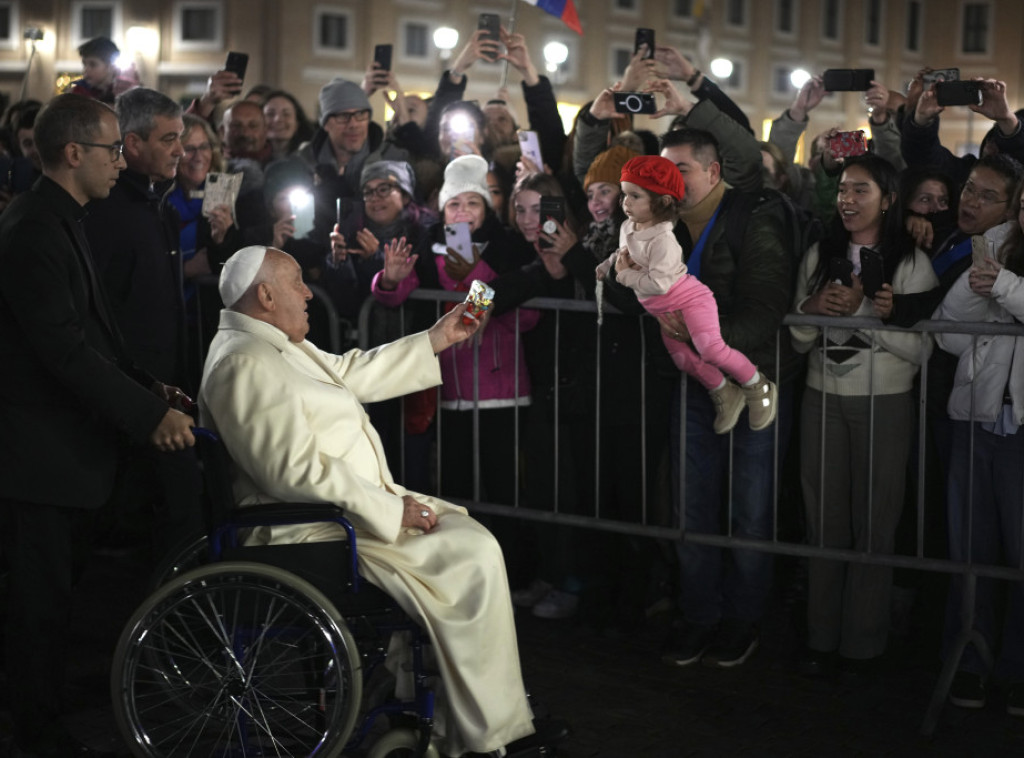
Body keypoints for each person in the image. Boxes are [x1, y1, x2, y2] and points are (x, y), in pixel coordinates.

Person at [198, 245, 537, 757]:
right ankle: (484, 730)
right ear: (265, 295)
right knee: (471, 555)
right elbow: (290, 471)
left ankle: (471, 714)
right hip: (305, 530)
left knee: (471, 545)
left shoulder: (272, 345)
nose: (308, 292)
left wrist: (438, 337)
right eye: (296, 282)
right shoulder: (242, 362)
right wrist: (387, 510)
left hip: (337, 514)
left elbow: (351, 372)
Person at [0, 93, 194, 758]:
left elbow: (93, 332)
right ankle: (33, 728)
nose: (121, 160)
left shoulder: (66, 217)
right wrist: (149, 417)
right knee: (36, 603)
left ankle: (45, 702)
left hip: (62, 454)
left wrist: (149, 387)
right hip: (35, 458)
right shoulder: (33, 228)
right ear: (74, 153)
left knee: (56, 598)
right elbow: (62, 351)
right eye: (112, 148)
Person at [628, 128, 796, 669]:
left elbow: (766, 306)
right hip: (697, 383)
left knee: (750, 508)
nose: (671, 181)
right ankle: (699, 614)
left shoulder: (755, 217)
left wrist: (709, 348)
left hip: (751, 382)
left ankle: (742, 618)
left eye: (683, 170)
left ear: (714, 172)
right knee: (692, 504)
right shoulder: (657, 218)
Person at [790, 154, 938, 677]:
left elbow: (922, 353)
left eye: (861, 191)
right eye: (843, 190)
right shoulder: (820, 253)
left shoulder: (912, 263)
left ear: (889, 199)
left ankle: (863, 643)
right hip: (820, 397)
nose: (847, 200)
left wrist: (861, 314)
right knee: (823, 520)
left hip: (885, 402)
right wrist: (811, 309)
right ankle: (820, 635)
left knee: (875, 523)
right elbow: (799, 335)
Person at [371, 154, 538, 504]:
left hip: (500, 388)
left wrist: (471, 272)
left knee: (503, 485)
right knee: (454, 485)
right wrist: (388, 280)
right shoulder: (426, 246)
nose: (463, 212)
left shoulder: (509, 249)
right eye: (455, 204)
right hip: (448, 389)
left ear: (486, 208)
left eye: (473, 203)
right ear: (443, 210)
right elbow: (397, 294)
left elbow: (528, 316)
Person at [83, 87, 202, 562]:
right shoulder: (106, 213)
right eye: (170, 138)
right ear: (132, 144)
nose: (182, 150)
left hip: (163, 395)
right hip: (129, 405)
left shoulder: (156, 205)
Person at [596, 155, 777, 434]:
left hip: (689, 300)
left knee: (711, 349)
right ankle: (724, 391)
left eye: (635, 196)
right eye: (624, 194)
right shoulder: (628, 227)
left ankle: (756, 384)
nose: (626, 202)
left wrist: (622, 275)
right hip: (663, 310)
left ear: (663, 201)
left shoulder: (663, 240)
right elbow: (623, 254)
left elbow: (660, 283)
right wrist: (607, 266)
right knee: (681, 358)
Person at [934, 188, 1024, 715]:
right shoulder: (996, 243)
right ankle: (969, 659)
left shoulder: (1007, 268)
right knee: (972, 550)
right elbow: (949, 333)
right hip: (977, 413)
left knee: (1019, 554)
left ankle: (1015, 668)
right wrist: (980, 282)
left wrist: (1007, 287)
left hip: (1019, 428)